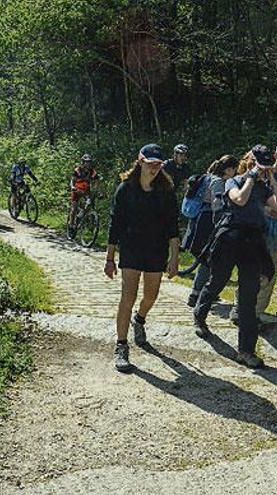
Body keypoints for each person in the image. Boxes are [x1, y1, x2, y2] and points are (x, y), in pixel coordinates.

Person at [192, 145, 277, 368]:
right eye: (260, 165)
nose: (263, 170)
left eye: (266, 166)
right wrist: (251, 177)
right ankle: (200, 313)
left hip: (252, 242)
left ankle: (246, 350)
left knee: (248, 295)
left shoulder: (265, 188)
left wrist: (272, 180)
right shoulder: (232, 181)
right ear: (251, 162)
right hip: (229, 239)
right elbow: (240, 200)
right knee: (218, 280)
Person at [104, 144, 180, 372]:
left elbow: (173, 227)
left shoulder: (166, 190)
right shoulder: (125, 189)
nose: (155, 167)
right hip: (131, 248)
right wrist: (109, 258)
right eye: (151, 163)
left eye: (158, 163)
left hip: (156, 250)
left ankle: (140, 318)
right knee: (128, 296)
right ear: (140, 160)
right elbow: (114, 224)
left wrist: (174, 257)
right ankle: (121, 345)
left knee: (151, 295)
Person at [230, 139, 277, 328]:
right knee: (250, 270)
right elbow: (244, 199)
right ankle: (239, 308)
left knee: (269, 273)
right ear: (276, 156)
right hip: (256, 230)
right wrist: (266, 210)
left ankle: (256, 313)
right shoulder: (258, 174)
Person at [184, 155, 239, 308]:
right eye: (234, 169)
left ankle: (199, 293)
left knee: (207, 259)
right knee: (207, 259)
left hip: (202, 219)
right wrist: (220, 224)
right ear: (228, 169)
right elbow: (217, 204)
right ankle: (196, 295)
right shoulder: (218, 182)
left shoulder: (209, 177)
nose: (235, 173)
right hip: (209, 222)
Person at [68, 154, 100, 228]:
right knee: (74, 207)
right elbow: (72, 180)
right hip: (77, 190)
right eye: (86, 162)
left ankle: (84, 218)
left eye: (89, 162)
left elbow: (97, 183)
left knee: (89, 204)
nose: (88, 163)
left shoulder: (92, 172)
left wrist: (98, 191)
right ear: (83, 162)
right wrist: (72, 187)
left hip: (86, 191)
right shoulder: (78, 170)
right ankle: (71, 225)